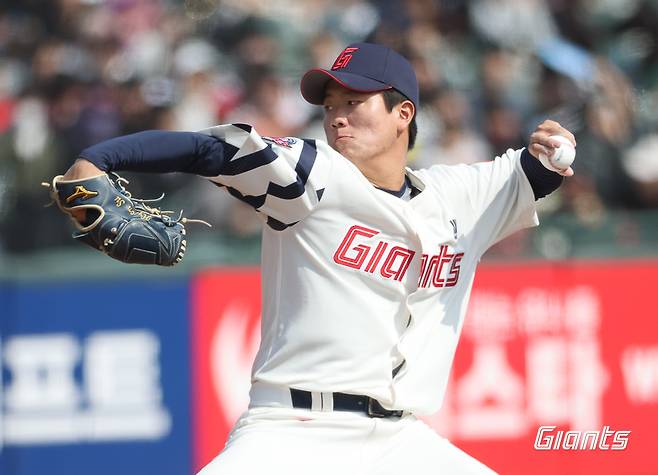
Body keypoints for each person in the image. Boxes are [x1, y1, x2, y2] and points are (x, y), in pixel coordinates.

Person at [60, 42, 575, 474]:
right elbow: (208, 150)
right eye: (330, 105)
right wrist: (98, 159)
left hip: (398, 442)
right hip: (289, 432)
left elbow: (531, 173)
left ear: (404, 113)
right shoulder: (312, 172)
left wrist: (554, 147)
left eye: (354, 101)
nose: (337, 117)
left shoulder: (458, 195)